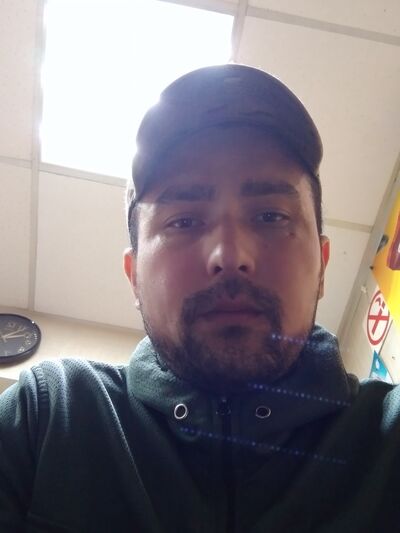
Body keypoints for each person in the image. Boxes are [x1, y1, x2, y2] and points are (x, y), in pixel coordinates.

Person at [0, 64, 399, 533]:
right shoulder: (49, 417)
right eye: (184, 221)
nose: (230, 256)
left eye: (271, 216)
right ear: (134, 277)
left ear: (322, 267)